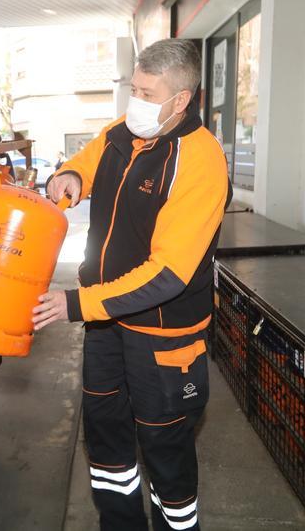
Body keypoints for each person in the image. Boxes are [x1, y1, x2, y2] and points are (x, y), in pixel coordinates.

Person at [33, 39, 230, 531]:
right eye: (133, 88)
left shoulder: (200, 163)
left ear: (180, 100)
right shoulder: (125, 133)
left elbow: (167, 275)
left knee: (164, 449)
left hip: (161, 336)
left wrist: (77, 303)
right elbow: (90, 156)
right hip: (107, 326)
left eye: (146, 91)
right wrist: (71, 175)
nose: (134, 101)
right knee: (106, 438)